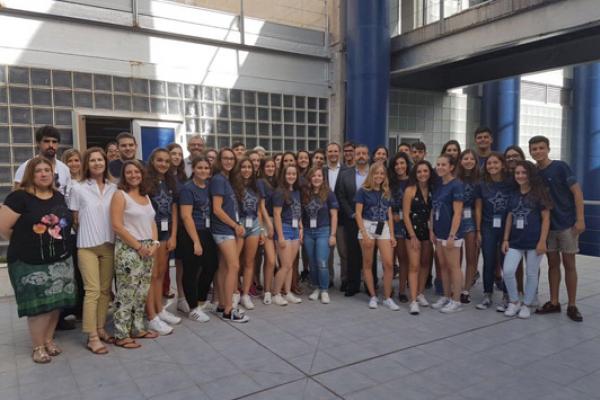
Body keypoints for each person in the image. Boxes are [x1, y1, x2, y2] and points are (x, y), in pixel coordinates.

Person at [0, 157, 76, 363]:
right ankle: (37, 346)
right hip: (28, 261)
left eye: (47, 170)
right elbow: (4, 228)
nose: (43, 174)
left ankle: (49, 340)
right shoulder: (19, 198)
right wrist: (27, 243)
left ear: (53, 175)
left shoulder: (58, 196)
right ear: (30, 175)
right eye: (38, 171)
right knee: (38, 307)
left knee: (55, 304)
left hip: (59, 258)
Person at [529, 135, 585, 322]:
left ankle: (572, 304)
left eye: (541, 148)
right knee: (553, 265)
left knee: (569, 264)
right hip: (548, 227)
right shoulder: (534, 173)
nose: (538, 151)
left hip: (567, 224)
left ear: (548, 149)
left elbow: (577, 192)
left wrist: (580, 219)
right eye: (534, 149)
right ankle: (554, 301)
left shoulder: (561, 167)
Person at [70, 147, 117, 354]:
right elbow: (75, 220)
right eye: (92, 160)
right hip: (87, 246)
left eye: (100, 160)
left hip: (108, 245)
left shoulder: (113, 188)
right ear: (86, 165)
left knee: (106, 291)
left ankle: (100, 328)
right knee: (93, 291)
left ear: (105, 162)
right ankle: (92, 336)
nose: (97, 163)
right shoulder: (78, 188)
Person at [110, 160, 160, 348]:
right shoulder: (120, 195)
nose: (133, 175)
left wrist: (154, 244)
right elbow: (117, 225)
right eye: (129, 172)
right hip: (129, 249)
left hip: (148, 248)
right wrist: (138, 246)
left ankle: (137, 327)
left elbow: (152, 222)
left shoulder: (145, 196)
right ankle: (121, 333)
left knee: (141, 292)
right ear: (124, 175)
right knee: (127, 292)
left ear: (142, 174)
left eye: (137, 172)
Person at [501, 161, 551, 319]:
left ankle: (527, 304)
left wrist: (542, 241)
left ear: (530, 175)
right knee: (508, 271)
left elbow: (546, 219)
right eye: (517, 173)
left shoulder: (539, 193)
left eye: (524, 173)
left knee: (531, 274)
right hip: (515, 242)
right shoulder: (513, 194)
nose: (520, 176)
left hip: (534, 242)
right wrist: (505, 239)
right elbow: (509, 216)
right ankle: (514, 301)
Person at [144, 148, 181, 335]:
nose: (163, 164)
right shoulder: (146, 182)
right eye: (160, 160)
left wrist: (174, 235)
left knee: (160, 273)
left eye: (167, 161)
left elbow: (174, 210)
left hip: (167, 233)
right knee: (151, 275)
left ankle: (159, 309)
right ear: (152, 161)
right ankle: (151, 316)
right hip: (151, 232)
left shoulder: (170, 181)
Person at [179, 156, 218, 322]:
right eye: (200, 168)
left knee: (211, 265)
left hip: (207, 231)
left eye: (206, 168)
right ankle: (193, 307)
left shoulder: (209, 186)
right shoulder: (188, 189)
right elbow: (186, 216)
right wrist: (195, 241)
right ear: (193, 169)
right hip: (191, 233)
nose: (203, 171)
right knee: (191, 270)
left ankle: (201, 301)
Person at [211, 148, 248, 322]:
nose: (228, 161)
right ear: (219, 160)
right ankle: (228, 309)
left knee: (224, 267)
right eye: (225, 158)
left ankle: (221, 304)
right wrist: (235, 225)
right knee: (233, 266)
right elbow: (217, 209)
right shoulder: (219, 179)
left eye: (231, 159)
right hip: (223, 230)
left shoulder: (227, 179)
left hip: (228, 229)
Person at [355, 162, 398, 310]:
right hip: (366, 226)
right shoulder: (363, 191)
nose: (379, 176)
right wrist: (364, 234)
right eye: (376, 173)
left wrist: (392, 235)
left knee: (388, 263)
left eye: (382, 173)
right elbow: (358, 215)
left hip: (383, 227)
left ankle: (387, 297)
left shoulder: (387, 192)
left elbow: (389, 215)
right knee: (367, 264)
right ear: (371, 174)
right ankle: (373, 296)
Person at [475, 153, 514, 310]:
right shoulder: (482, 184)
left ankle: (506, 295)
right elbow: (478, 209)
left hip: (507, 227)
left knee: (506, 262)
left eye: (495, 163)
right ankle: (487, 294)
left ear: (502, 164)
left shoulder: (511, 183)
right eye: (489, 163)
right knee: (488, 261)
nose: (492, 166)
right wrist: (478, 230)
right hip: (488, 226)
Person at [430, 154, 465, 313]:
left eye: (444, 164)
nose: (440, 167)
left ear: (451, 167)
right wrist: (432, 230)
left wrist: (452, 235)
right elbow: (434, 209)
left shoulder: (456, 185)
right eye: (438, 164)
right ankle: (445, 295)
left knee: (454, 267)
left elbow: (458, 213)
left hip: (452, 234)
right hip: (439, 233)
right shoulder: (439, 185)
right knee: (442, 266)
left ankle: (456, 300)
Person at [336, 144, 369, 297]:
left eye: (364, 153)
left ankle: (370, 284)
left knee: (370, 252)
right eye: (358, 154)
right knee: (352, 252)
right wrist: (352, 213)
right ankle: (353, 284)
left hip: (370, 219)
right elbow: (340, 195)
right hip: (351, 218)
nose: (361, 156)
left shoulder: (374, 173)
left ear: (368, 156)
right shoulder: (344, 174)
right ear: (354, 156)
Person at [302, 167, 338, 304]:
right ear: (310, 178)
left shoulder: (329, 193)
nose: (316, 178)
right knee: (312, 262)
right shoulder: (305, 194)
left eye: (319, 175)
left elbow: (334, 215)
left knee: (322, 262)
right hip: (308, 232)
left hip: (323, 231)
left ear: (323, 178)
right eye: (314, 176)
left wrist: (333, 235)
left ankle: (324, 290)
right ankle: (316, 287)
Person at [403, 160, 434, 315]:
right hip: (412, 232)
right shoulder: (410, 190)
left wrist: (433, 231)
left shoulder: (433, 190)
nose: (423, 174)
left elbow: (434, 213)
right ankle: (413, 300)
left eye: (425, 171)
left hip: (428, 232)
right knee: (414, 266)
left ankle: (420, 293)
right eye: (419, 171)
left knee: (425, 263)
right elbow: (406, 215)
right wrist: (412, 235)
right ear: (415, 174)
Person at [232, 157, 263, 310]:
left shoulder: (257, 186)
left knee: (249, 262)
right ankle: (234, 292)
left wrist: (262, 229)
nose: (246, 170)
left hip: (254, 225)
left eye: (249, 167)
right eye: (243, 167)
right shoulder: (234, 186)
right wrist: (237, 224)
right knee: (235, 262)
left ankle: (245, 294)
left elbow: (260, 209)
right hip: (239, 225)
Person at [271, 165, 303, 306]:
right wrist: (281, 236)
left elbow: (297, 210)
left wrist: (301, 226)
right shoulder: (279, 192)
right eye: (288, 173)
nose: (291, 176)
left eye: (293, 174)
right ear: (284, 175)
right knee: (284, 265)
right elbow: (277, 214)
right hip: (284, 229)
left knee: (290, 265)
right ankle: (275, 293)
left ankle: (288, 292)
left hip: (295, 229)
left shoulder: (296, 191)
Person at [14, 125, 71, 195]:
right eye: (46, 141)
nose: (51, 145)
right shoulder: (27, 166)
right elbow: (16, 194)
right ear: (38, 143)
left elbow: (68, 196)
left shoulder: (64, 169)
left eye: (54, 142)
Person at [456, 149, 480, 304]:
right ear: (461, 161)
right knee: (456, 257)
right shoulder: (455, 179)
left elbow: (478, 207)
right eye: (466, 158)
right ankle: (456, 285)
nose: (469, 161)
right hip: (456, 219)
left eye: (472, 158)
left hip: (471, 218)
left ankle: (466, 289)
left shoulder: (480, 180)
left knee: (471, 256)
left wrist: (478, 229)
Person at [167, 143, 188, 309]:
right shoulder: (162, 176)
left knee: (181, 263)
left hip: (181, 225)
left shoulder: (182, 177)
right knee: (161, 268)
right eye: (173, 154)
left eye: (179, 154)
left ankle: (182, 298)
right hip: (163, 225)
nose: (176, 157)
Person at [324, 142, 347, 289]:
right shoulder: (322, 171)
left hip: (342, 218)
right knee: (328, 253)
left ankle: (345, 278)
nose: (333, 154)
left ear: (339, 153)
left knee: (344, 251)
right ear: (327, 154)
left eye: (335, 151)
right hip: (325, 217)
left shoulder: (347, 171)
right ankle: (329, 278)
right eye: (330, 151)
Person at [388, 152, 410, 303]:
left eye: (402, 163)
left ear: (407, 164)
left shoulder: (413, 182)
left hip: (405, 225)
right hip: (389, 224)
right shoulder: (389, 182)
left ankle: (402, 290)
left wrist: (401, 216)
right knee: (389, 260)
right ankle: (388, 289)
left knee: (403, 259)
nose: (399, 166)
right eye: (396, 164)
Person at [257, 157, 278, 304]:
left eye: (273, 166)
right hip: (267, 221)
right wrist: (267, 225)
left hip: (280, 221)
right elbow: (261, 206)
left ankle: (276, 288)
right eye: (268, 166)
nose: (270, 168)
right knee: (270, 259)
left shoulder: (277, 182)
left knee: (278, 259)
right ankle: (267, 291)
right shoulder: (260, 182)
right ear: (263, 168)